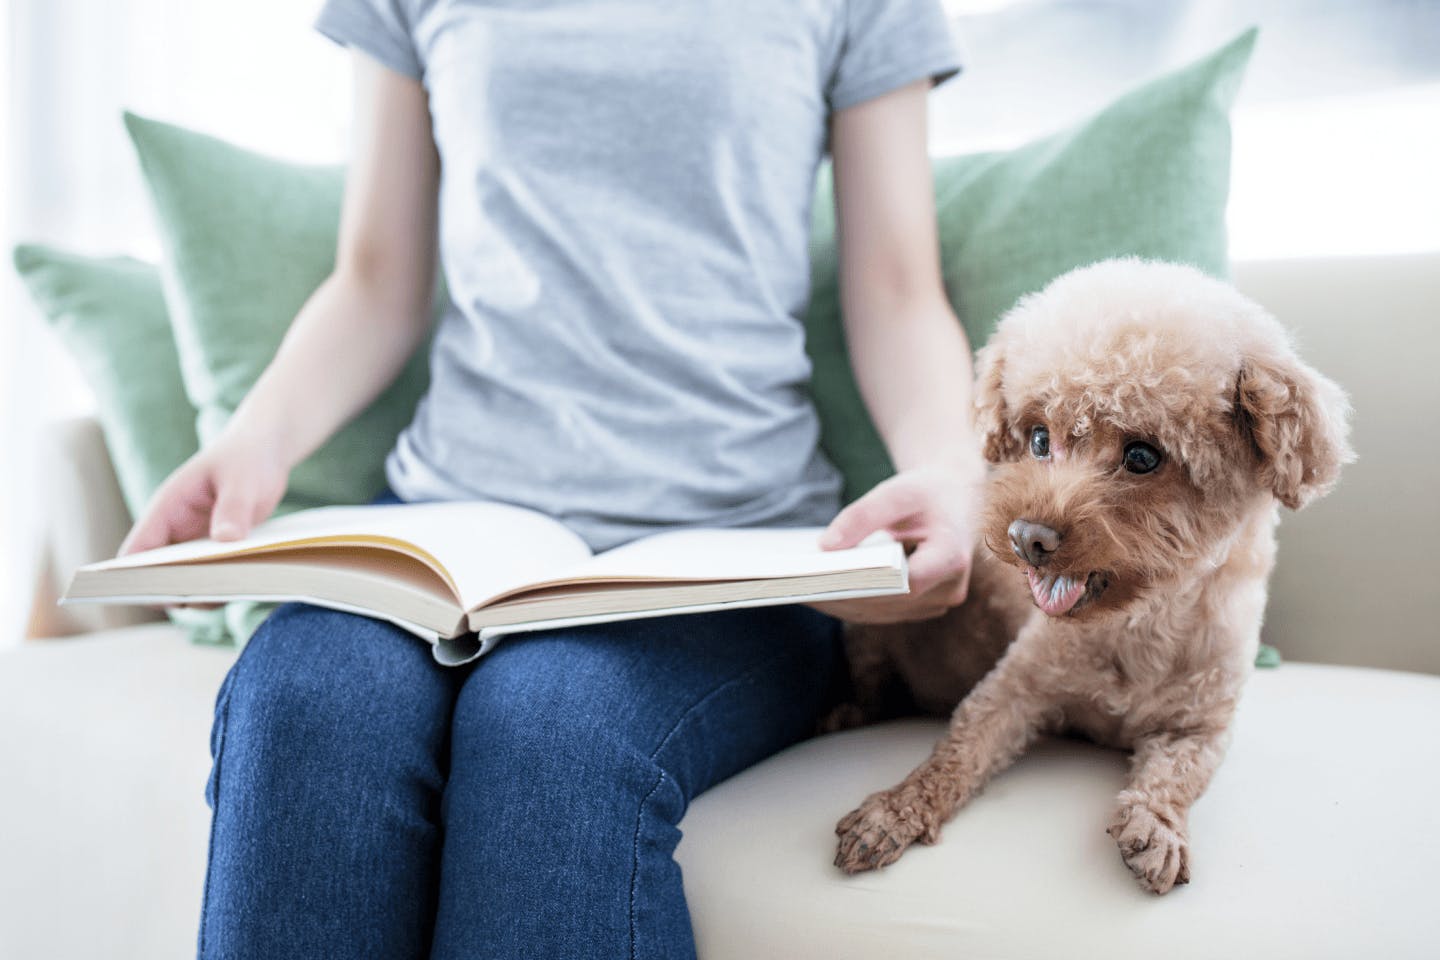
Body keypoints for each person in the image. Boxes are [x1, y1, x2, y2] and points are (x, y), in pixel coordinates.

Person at [119, 1, 985, 956]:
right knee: (301, 706)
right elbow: (374, 280)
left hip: (738, 550)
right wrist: (255, 441)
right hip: (447, 525)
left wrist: (950, 472)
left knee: (551, 728)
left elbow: (899, 291)